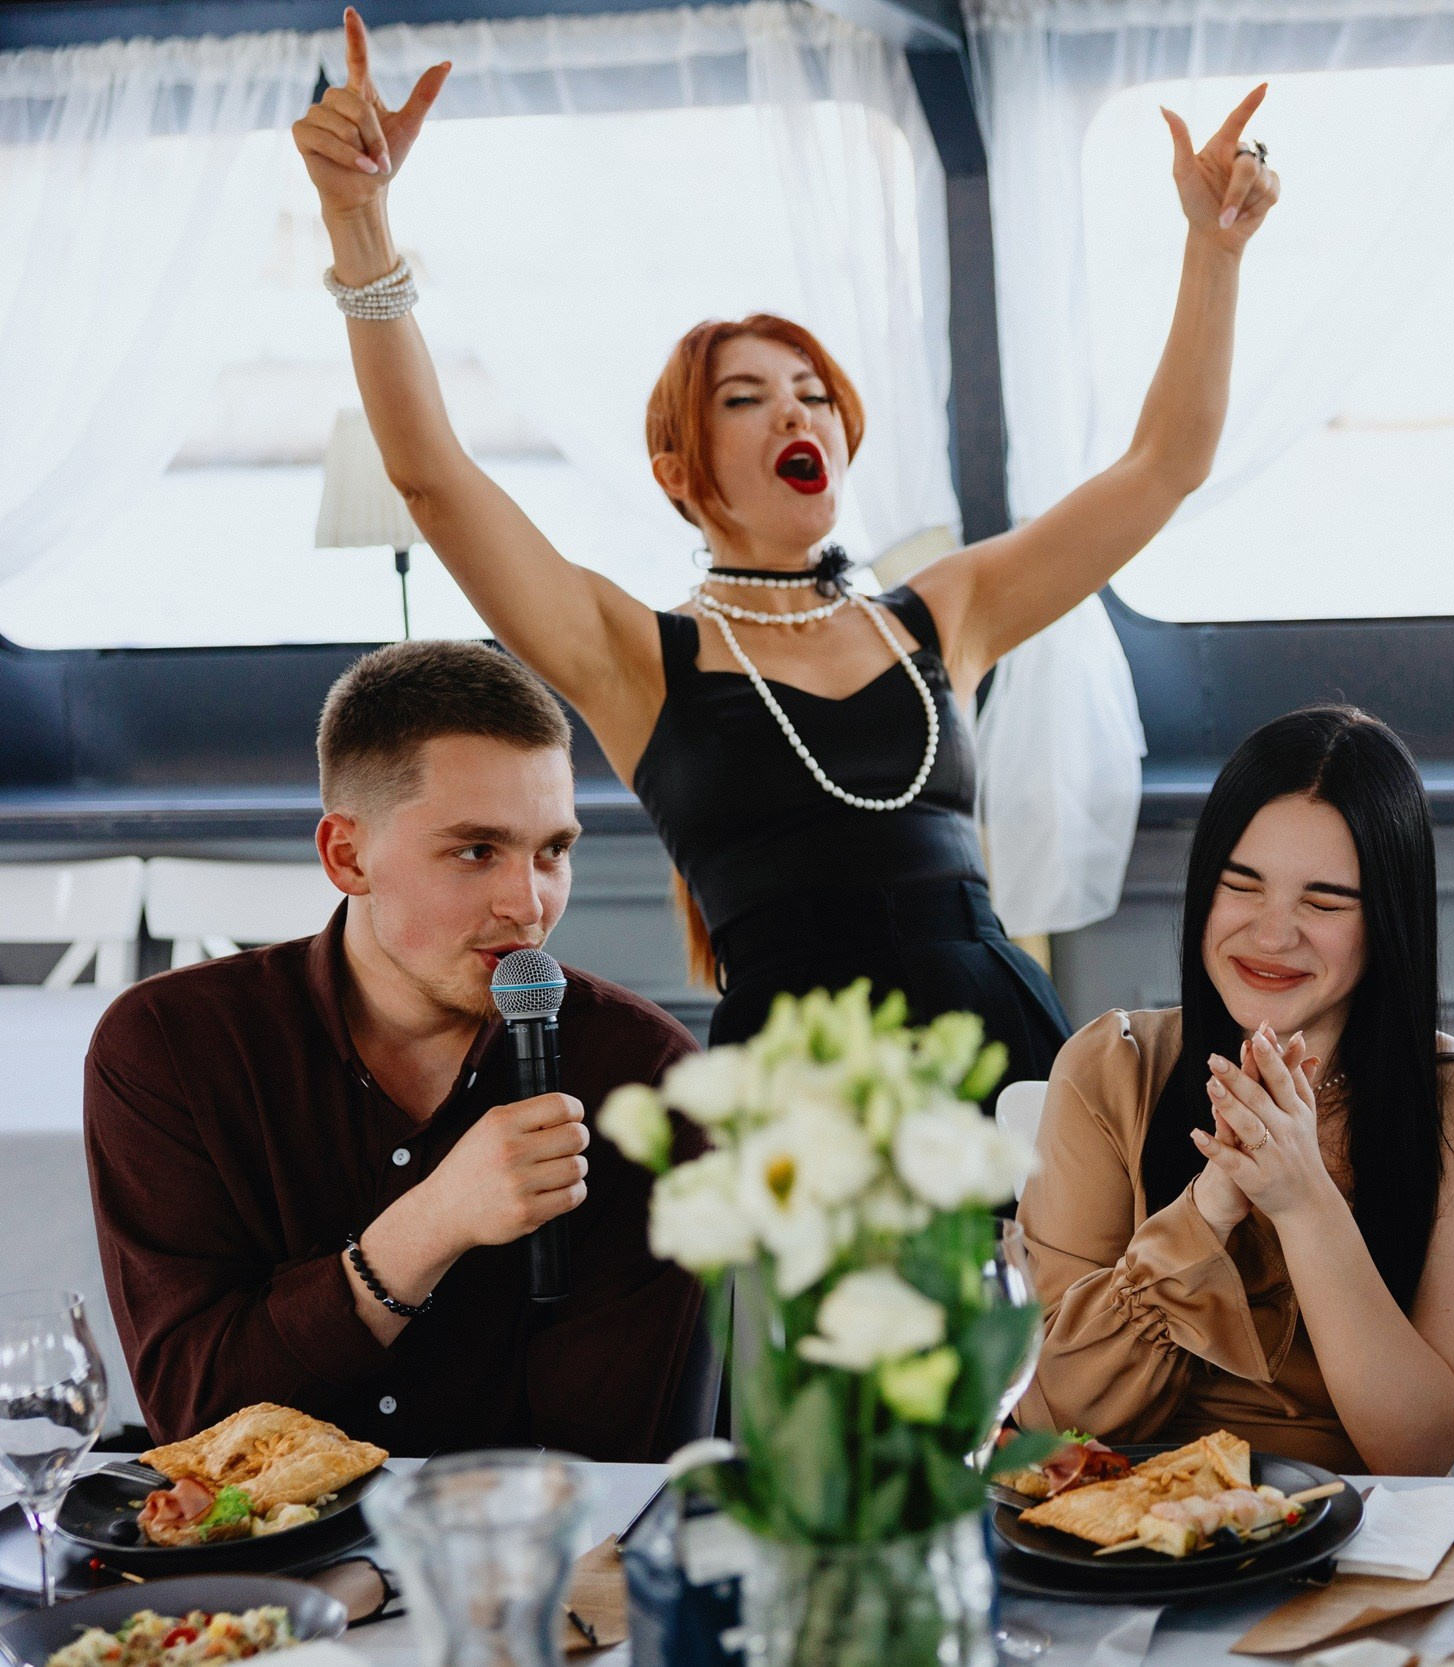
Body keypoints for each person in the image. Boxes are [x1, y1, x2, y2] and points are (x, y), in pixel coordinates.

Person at [290, 10, 1281, 1081]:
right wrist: (360, 222)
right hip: (799, 1093)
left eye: (815, 395)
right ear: (678, 467)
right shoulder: (634, 653)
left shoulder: (942, 612)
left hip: (1003, 1050)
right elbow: (433, 479)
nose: (795, 415)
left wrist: (1213, 247)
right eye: (748, 397)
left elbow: (1164, 464)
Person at [85, 641, 705, 1458]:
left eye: (553, 850)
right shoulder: (171, 1049)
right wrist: (428, 1227)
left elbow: (604, 1456)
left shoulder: (640, 1073)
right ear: (348, 855)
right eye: (476, 850)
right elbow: (199, 1424)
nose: (529, 905)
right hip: (267, 1574)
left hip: (528, 1570)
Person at [1014, 706, 1454, 1476]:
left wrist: (1301, 1198)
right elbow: (1052, 1418)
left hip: (1352, 1546)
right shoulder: (1110, 1068)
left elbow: (1416, 1450)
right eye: (1242, 885)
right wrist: (1207, 1210)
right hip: (1123, 1547)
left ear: (1387, 919)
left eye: (1323, 902)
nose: (1271, 933)